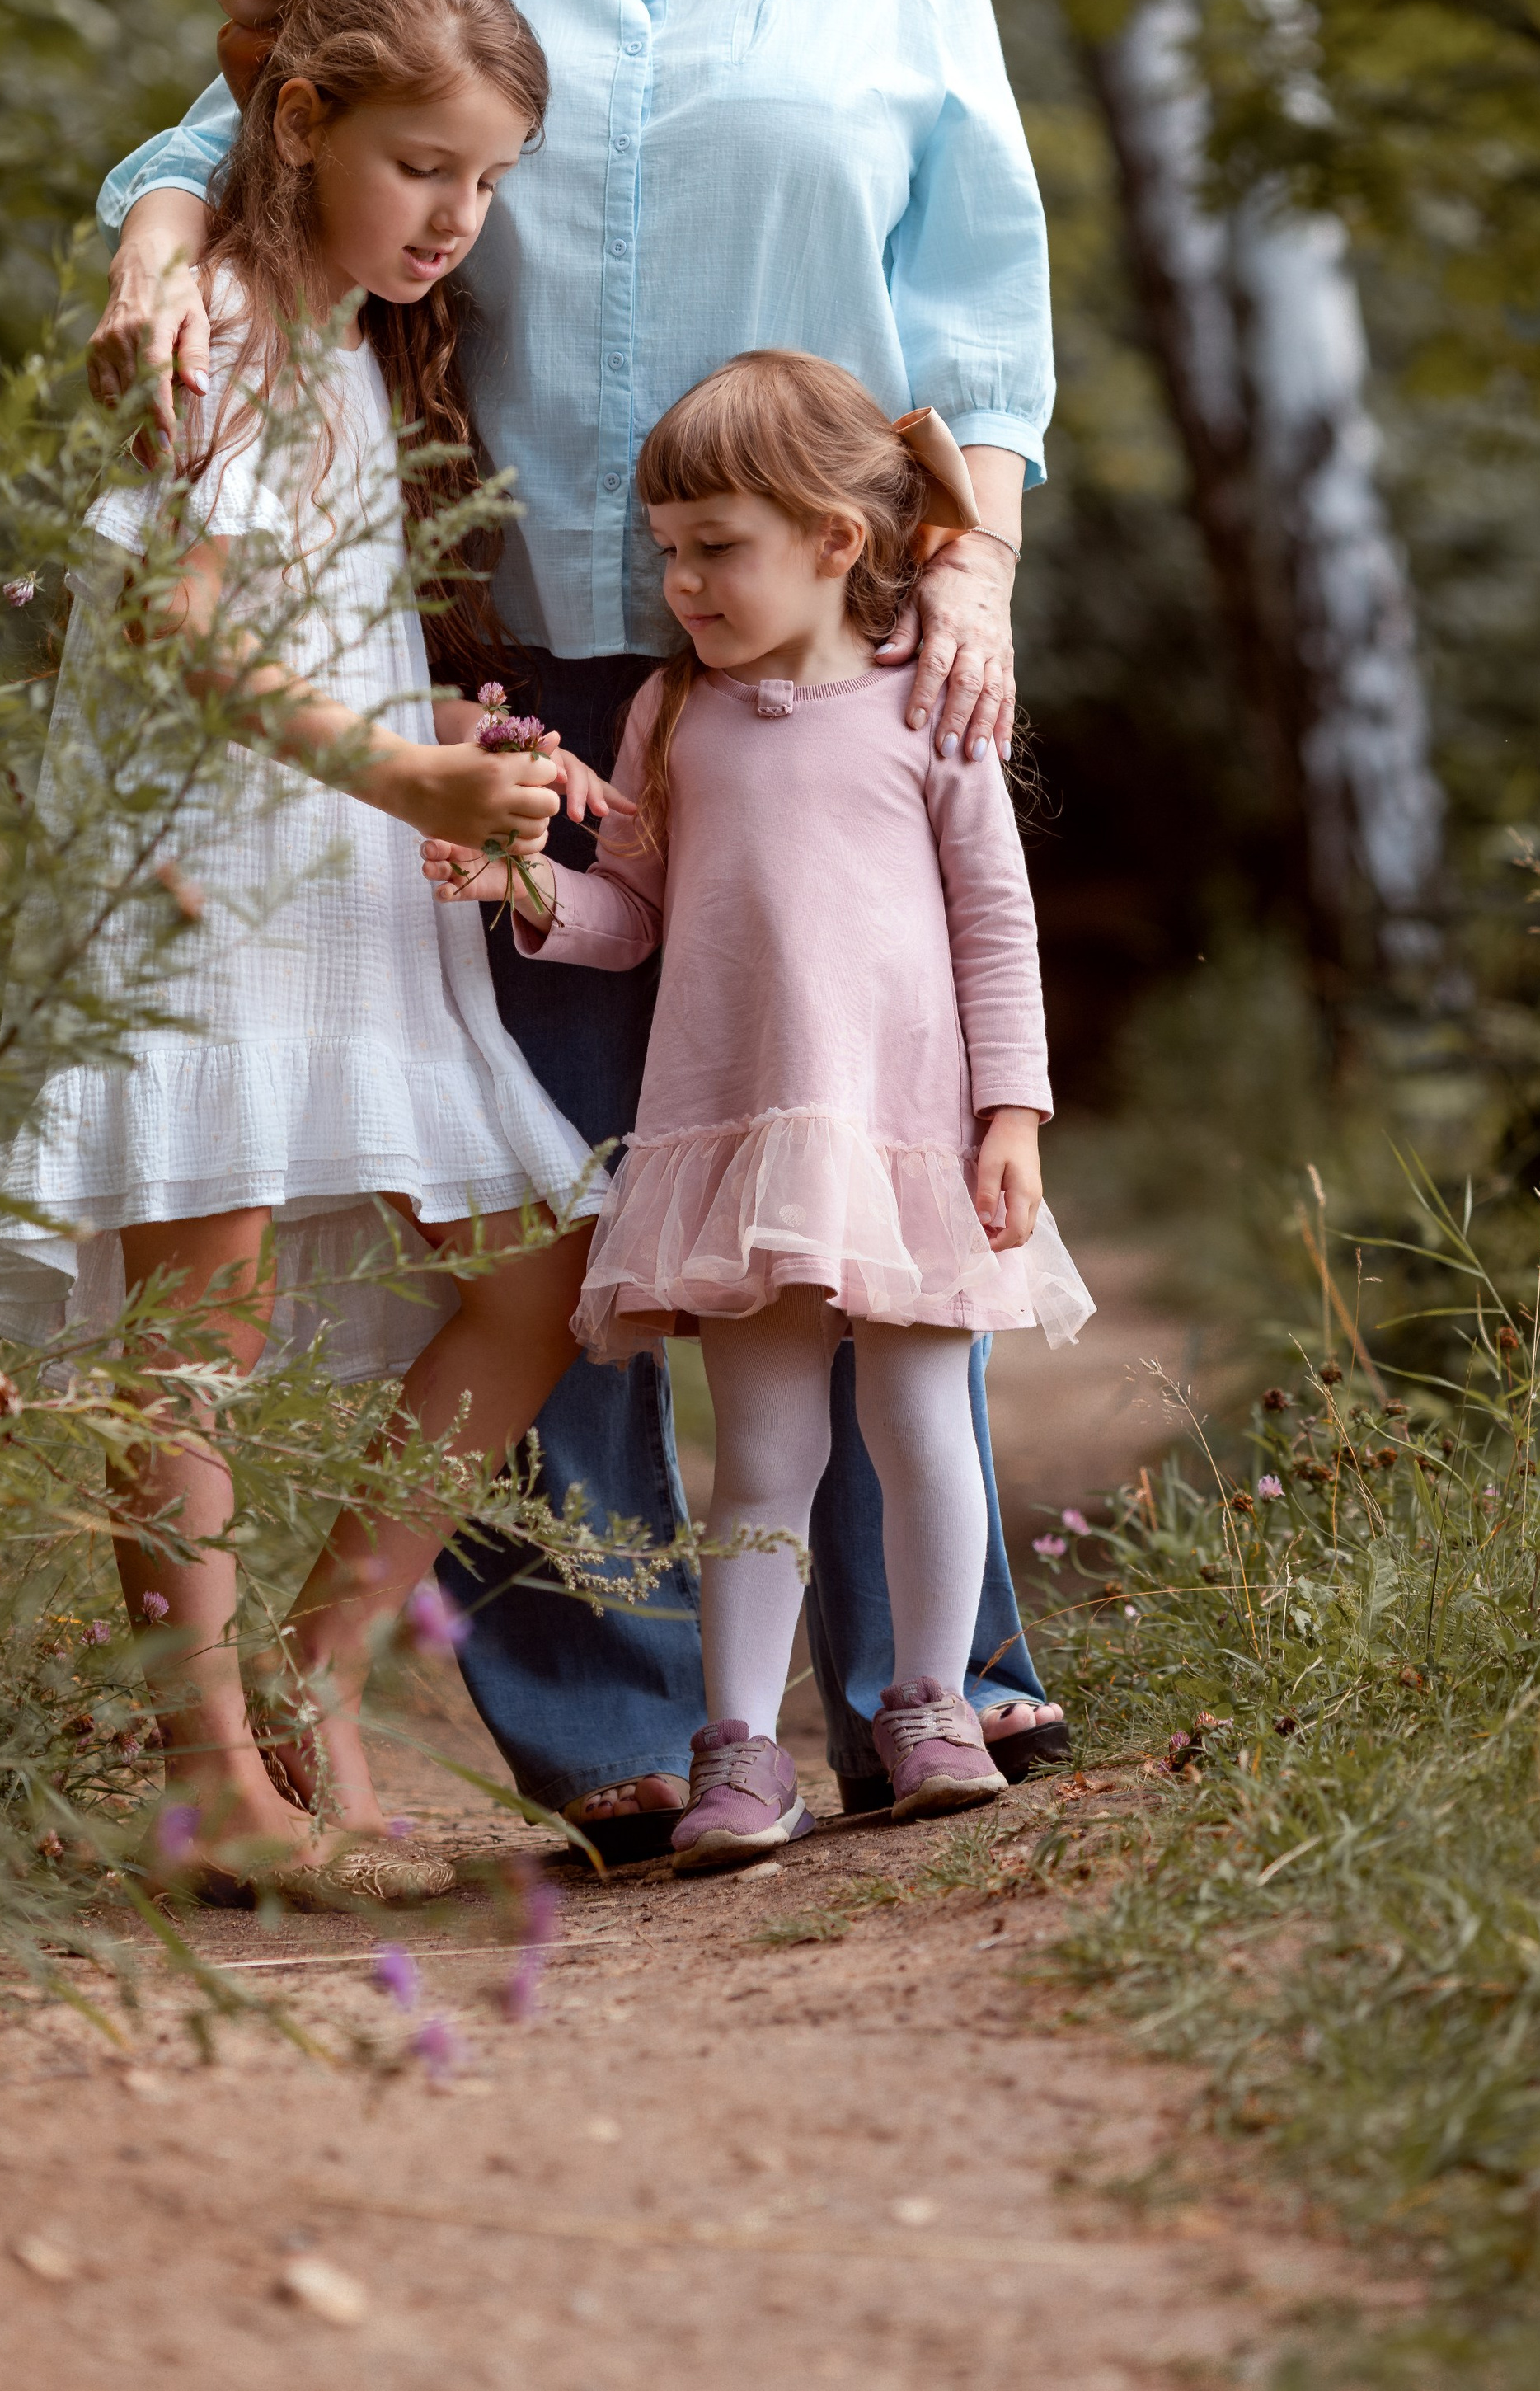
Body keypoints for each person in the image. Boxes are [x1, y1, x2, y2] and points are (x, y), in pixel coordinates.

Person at [85, 0, 1070, 1852]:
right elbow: (227, 133)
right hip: (497, 641)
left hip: (816, 642)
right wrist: (151, 243)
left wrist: (971, 565)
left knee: (861, 1128)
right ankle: (625, 1720)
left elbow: (980, 293)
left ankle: (929, 1678)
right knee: (568, 1182)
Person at [0, 0, 617, 1900]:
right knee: (201, 1323)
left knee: (534, 1275)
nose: (457, 215)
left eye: (488, 179)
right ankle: (212, 1787)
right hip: (201, 878)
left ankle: (314, 1678)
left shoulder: (343, 333)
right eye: (425, 165)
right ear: (302, 122)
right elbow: (184, 639)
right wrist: (401, 772)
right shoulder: (230, 325)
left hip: (331, 875)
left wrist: (453, 741)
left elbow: (310, 626)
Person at [424, 354, 1092, 1867]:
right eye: (667, 548)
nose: (682, 583)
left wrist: (1014, 1113)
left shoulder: (928, 703)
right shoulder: (672, 715)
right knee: (766, 1451)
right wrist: (527, 884)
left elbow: (997, 923)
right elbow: (635, 916)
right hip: (739, 1148)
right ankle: (739, 1748)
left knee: (920, 1424)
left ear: (837, 540)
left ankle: (932, 1700)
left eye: (714, 548)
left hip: (907, 1141)